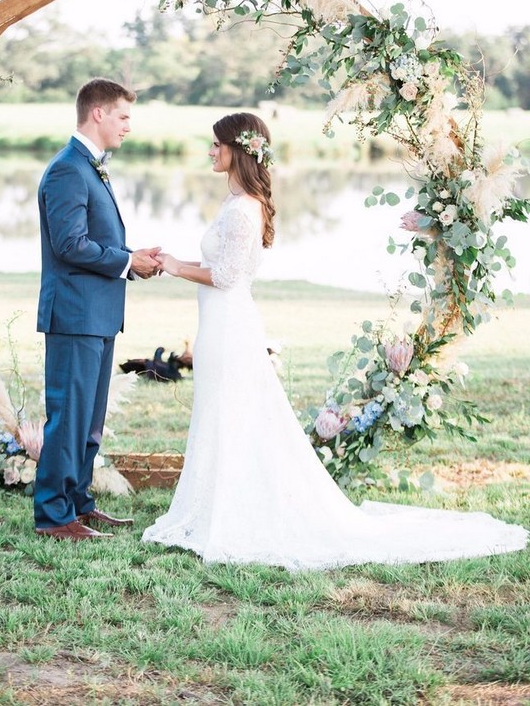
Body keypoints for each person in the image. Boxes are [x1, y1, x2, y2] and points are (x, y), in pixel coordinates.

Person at [142, 112, 528, 570]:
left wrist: (172, 265)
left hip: (229, 325)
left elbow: (224, 276)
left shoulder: (245, 208)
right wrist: (174, 259)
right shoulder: (240, 201)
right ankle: (219, 501)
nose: (209, 151)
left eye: (215, 145)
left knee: (231, 412)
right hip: (223, 324)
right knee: (224, 413)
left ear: (238, 150)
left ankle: (231, 511)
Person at [35, 78, 161, 541]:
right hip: (74, 315)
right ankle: (53, 515)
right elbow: (69, 244)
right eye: (124, 116)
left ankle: (79, 503)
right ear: (99, 114)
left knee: (88, 420)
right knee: (68, 416)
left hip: (98, 314)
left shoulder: (90, 167)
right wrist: (128, 261)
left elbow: (93, 240)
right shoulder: (68, 169)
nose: (129, 126)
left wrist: (132, 256)